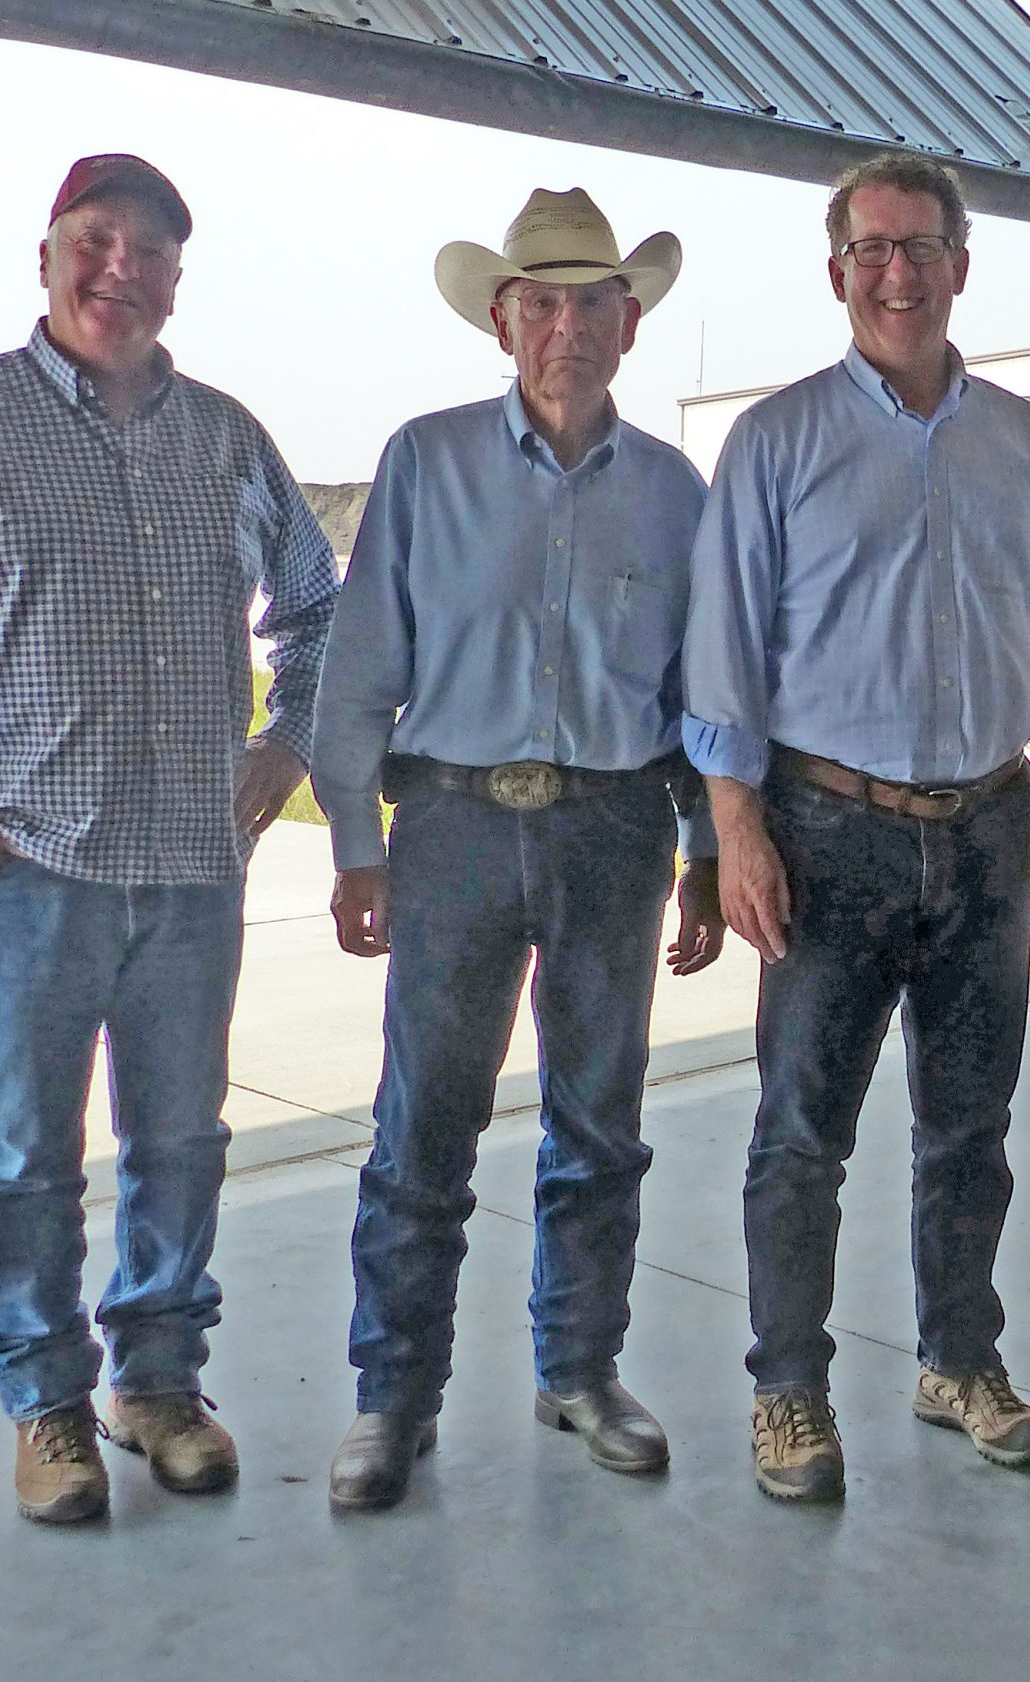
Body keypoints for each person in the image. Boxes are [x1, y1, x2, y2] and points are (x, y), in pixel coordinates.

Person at [0, 155, 339, 1524]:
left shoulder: (226, 437)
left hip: (191, 872)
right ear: (46, 256)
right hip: (26, 872)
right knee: (25, 1153)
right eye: (97, 241)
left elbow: (319, 611)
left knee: (182, 1140)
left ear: (178, 279)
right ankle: (45, 1398)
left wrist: (286, 741)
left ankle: (158, 1382)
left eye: (153, 251)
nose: (124, 269)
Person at [684, 151, 1030, 1503]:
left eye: (922, 247)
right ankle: (788, 1390)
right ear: (838, 274)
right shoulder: (777, 442)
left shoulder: (1023, 442)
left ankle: (959, 1362)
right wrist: (737, 828)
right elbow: (723, 652)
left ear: (960, 266)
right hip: (828, 828)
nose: (898, 273)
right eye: (872, 249)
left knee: (970, 1124)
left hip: (988, 824)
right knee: (801, 1130)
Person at [310, 189, 723, 1511]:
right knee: (425, 1122)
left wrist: (707, 848)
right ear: (502, 321)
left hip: (616, 829)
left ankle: (581, 1370)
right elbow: (358, 668)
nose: (567, 329)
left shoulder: (675, 494)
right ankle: (393, 1397)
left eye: (593, 303)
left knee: (600, 1121)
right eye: (542, 304)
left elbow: (704, 692)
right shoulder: (425, 462)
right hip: (452, 827)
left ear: (630, 324)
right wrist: (354, 840)